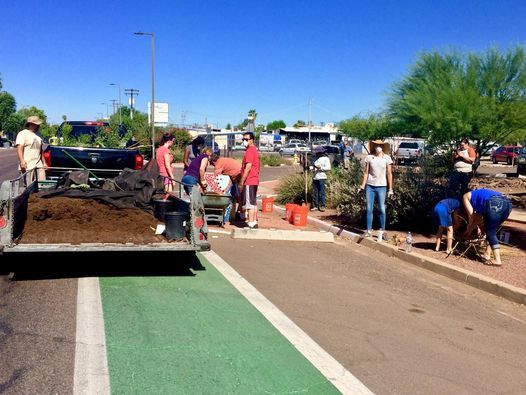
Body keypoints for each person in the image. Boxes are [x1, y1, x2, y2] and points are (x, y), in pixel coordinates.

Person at [462, 188, 512, 266]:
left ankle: (497, 260)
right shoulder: (478, 197)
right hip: (507, 203)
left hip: (494, 202)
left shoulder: (465, 197)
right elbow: (478, 218)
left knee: (490, 231)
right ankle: (487, 254)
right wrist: (474, 227)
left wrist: (469, 228)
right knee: (492, 230)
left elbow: (472, 215)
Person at [359, 139, 394, 239]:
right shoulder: (369, 157)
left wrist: (390, 188)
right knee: (369, 208)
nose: (377, 147)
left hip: (382, 186)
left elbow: (389, 174)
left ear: (382, 147)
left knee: (382, 209)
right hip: (370, 186)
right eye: (376, 145)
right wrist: (362, 186)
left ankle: (382, 231)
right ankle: (368, 230)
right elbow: (366, 173)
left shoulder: (387, 158)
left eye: (379, 145)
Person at [16, 116, 47, 184]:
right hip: (28, 165)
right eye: (37, 124)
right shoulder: (23, 134)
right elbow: (19, 148)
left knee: (42, 184)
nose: (38, 126)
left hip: (39, 165)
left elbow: (40, 150)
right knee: (30, 187)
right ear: (30, 124)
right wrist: (22, 161)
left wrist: (44, 163)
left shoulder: (39, 134)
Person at [210, 153, 242, 220]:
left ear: (213, 161)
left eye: (211, 163)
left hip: (238, 175)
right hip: (239, 172)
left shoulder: (218, 164)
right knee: (238, 195)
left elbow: (215, 178)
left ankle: (239, 213)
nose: (212, 165)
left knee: (238, 195)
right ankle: (239, 213)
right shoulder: (222, 160)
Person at [240, 132, 260, 229]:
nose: (244, 141)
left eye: (246, 139)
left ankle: (251, 222)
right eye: (243, 139)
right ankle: (254, 221)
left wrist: (241, 182)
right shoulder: (253, 150)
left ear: (251, 140)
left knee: (249, 203)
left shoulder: (250, 151)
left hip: (249, 180)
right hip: (254, 180)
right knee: (253, 202)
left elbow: (248, 167)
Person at [310, 146, 331, 212]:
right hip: (315, 177)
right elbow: (312, 167)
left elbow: (328, 168)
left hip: (322, 177)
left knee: (322, 192)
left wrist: (320, 168)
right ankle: (316, 205)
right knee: (316, 192)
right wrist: (312, 169)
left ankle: (322, 205)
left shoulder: (326, 159)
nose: (317, 154)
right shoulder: (314, 158)